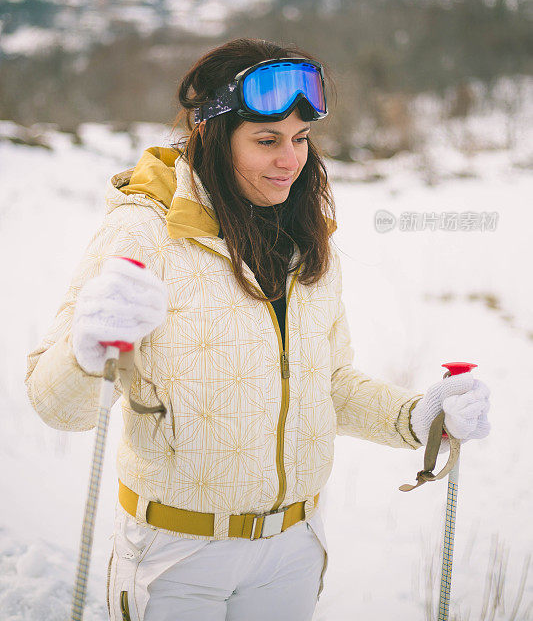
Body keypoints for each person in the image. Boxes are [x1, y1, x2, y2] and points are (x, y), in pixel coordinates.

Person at [25, 38, 490, 621]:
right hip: (178, 554)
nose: (290, 160)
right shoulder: (145, 234)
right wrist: (84, 349)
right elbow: (56, 406)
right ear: (214, 140)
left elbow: (330, 383)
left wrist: (417, 418)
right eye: (267, 140)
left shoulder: (306, 240)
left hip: (292, 549)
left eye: (300, 139)